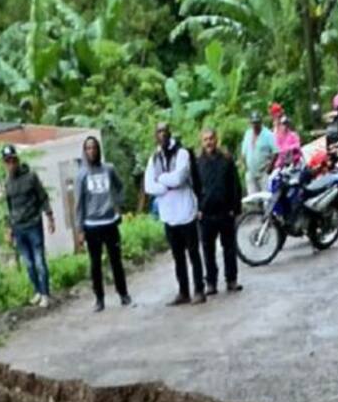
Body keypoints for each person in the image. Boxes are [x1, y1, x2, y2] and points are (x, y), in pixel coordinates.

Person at [144, 122, 205, 306]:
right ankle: (183, 291)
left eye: (164, 131)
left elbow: (179, 178)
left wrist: (161, 180)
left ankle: (199, 290)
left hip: (186, 212)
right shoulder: (154, 158)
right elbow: (148, 186)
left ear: (170, 133)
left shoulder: (182, 153)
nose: (162, 135)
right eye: (158, 132)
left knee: (193, 254)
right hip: (168, 215)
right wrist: (165, 185)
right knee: (178, 257)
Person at [74, 135, 131, 313]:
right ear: (85, 152)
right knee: (95, 264)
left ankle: (123, 294)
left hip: (109, 222)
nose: (91, 151)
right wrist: (80, 229)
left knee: (116, 261)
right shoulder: (81, 174)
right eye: (88, 148)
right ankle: (99, 299)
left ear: (99, 150)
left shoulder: (109, 169)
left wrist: (118, 206)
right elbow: (78, 203)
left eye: (94, 148)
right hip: (92, 225)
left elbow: (120, 187)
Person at [3, 143, 56, 306]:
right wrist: (9, 229)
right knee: (29, 264)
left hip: (33, 224)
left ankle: (46, 293)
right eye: (7, 161)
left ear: (17, 160)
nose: (11, 164)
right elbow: (10, 207)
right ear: (4, 163)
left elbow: (43, 197)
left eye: (13, 160)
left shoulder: (31, 177)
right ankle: (38, 291)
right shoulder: (7, 183)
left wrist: (50, 217)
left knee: (39, 260)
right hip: (19, 228)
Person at [196, 128, 243, 296]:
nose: (209, 142)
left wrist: (235, 208)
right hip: (206, 213)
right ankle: (211, 282)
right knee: (208, 250)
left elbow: (235, 185)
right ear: (201, 142)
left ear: (216, 139)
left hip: (225, 211)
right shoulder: (197, 163)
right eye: (205, 140)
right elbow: (194, 188)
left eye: (211, 138)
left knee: (229, 247)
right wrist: (197, 209)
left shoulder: (226, 160)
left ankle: (231, 280)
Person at [240, 111, 277, 195]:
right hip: (250, 172)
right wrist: (245, 166)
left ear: (260, 122)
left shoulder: (268, 134)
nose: (255, 125)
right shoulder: (248, 134)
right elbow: (243, 152)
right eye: (253, 123)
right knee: (253, 198)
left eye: (257, 122)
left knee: (266, 197)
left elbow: (275, 152)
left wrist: (269, 168)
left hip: (263, 172)